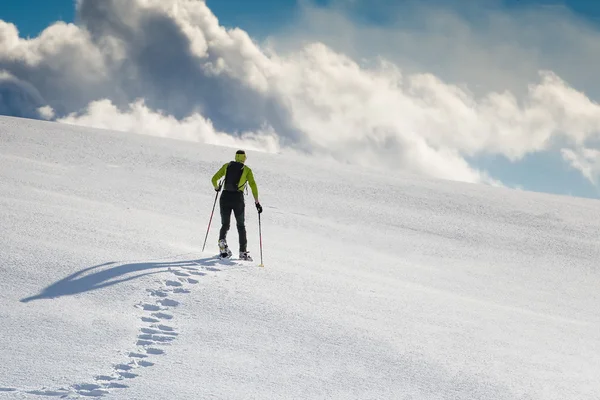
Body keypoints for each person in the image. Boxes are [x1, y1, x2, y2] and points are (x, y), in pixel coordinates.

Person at [211, 149, 262, 260]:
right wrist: (257, 202)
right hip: (237, 198)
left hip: (224, 197)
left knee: (225, 224)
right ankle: (243, 253)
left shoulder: (227, 166)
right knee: (241, 226)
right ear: (244, 158)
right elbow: (253, 185)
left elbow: (214, 179)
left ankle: (223, 249)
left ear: (235, 156)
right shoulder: (247, 170)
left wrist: (217, 188)